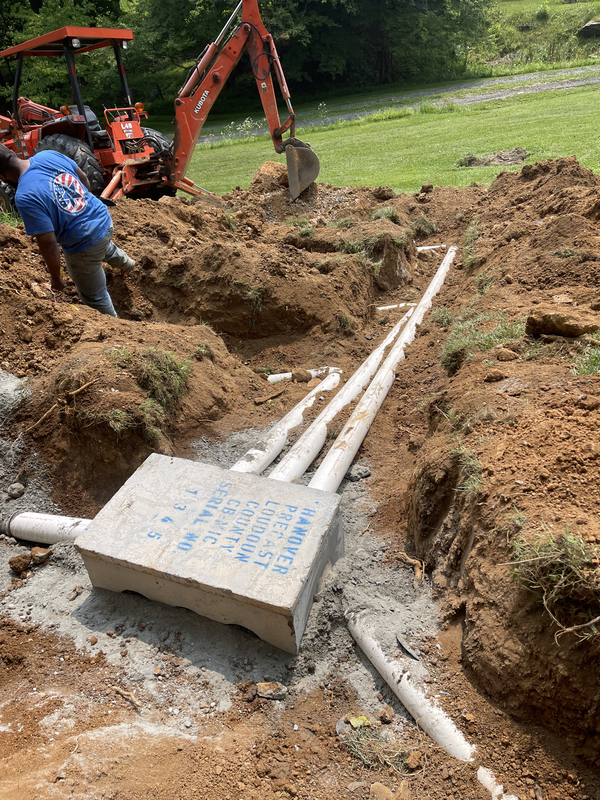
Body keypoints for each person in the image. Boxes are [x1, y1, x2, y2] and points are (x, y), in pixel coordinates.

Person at [0, 143, 134, 317]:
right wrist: (83, 207)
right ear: (12, 153)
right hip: (103, 220)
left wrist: (56, 278)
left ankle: (118, 335)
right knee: (103, 244)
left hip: (83, 245)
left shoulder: (25, 195)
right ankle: (129, 265)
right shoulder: (47, 154)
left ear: (3, 176)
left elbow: (48, 243)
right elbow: (83, 178)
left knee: (95, 297)